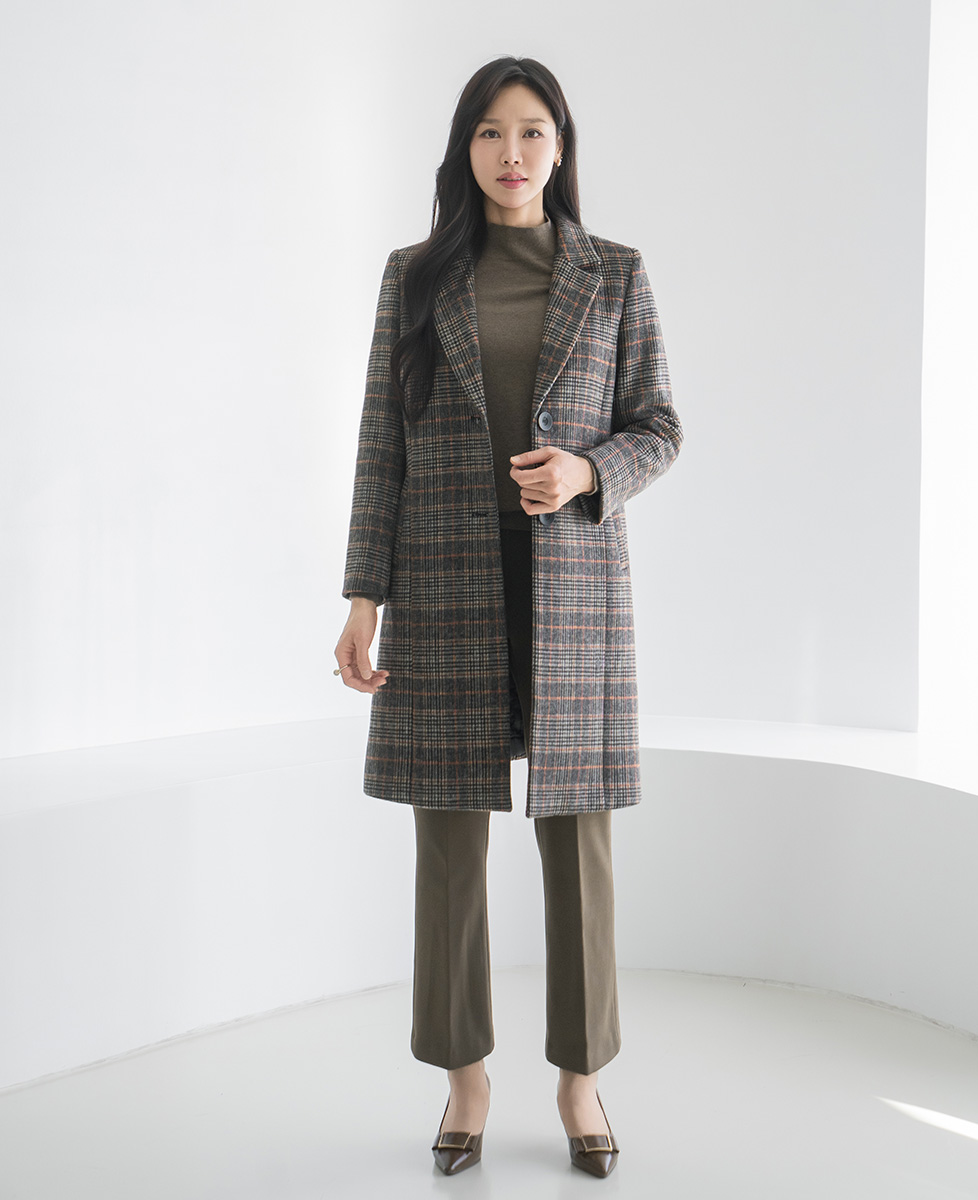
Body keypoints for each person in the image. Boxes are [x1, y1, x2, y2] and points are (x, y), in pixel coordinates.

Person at [335, 55, 682, 1178]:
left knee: (578, 844)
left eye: (531, 130)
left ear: (560, 146)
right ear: (465, 149)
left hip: (573, 592)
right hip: (444, 586)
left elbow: (659, 427)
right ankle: (464, 1079)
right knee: (449, 846)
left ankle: (580, 1080)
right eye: (490, 132)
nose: (512, 152)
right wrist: (362, 599)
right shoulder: (413, 277)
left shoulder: (614, 274)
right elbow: (381, 448)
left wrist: (586, 472)